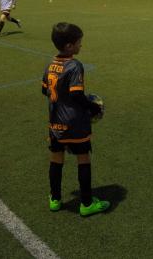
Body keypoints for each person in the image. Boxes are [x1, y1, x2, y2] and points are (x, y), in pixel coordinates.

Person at [41, 22, 110, 217]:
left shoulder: (51, 64)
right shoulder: (75, 65)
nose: (81, 46)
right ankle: (86, 204)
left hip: (55, 122)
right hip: (75, 123)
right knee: (83, 158)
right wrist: (94, 107)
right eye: (79, 42)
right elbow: (77, 96)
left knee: (56, 158)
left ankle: (55, 199)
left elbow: (44, 89)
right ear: (70, 46)